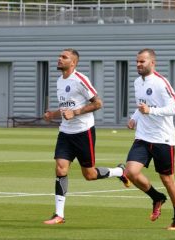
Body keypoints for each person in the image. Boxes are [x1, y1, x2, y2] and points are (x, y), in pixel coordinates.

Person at [43, 48, 131, 225]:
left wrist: (75, 113)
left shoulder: (80, 80)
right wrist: (53, 114)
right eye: (60, 56)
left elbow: (98, 103)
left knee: (89, 175)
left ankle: (120, 171)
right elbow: (66, 108)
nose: (59, 59)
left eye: (64, 57)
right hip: (65, 133)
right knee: (60, 169)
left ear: (73, 63)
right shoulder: (60, 81)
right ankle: (59, 214)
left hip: (84, 133)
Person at [125, 48, 175, 230]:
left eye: (142, 62)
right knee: (131, 172)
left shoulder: (161, 83)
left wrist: (151, 111)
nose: (138, 65)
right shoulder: (137, 82)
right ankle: (156, 197)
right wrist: (135, 117)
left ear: (152, 63)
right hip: (143, 137)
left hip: (163, 139)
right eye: (137, 62)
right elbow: (142, 105)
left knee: (167, 180)